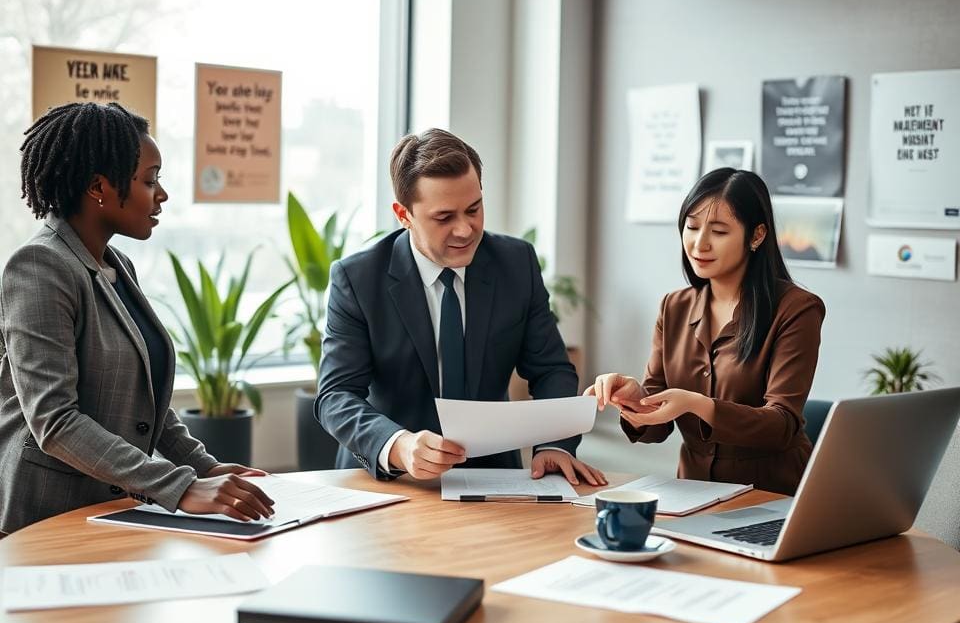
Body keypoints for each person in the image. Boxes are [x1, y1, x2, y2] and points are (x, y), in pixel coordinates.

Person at [0, 102, 275, 536]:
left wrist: (202, 466)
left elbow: (146, 402)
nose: (161, 194)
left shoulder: (117, 265)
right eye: (149, 180)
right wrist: (180, 487)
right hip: (48, 517)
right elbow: (54, 421)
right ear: (98, 187)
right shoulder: (39, 266)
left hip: (113, 509)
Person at [316, 128, 606, 486]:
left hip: (493, 478)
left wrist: (555, 445)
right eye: (444, 217)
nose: (465, 230)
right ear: (403, 215)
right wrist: (398, 445)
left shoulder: (516, 263)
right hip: (389, 481)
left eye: (474, 209)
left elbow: (551, 369)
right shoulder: (357, 278)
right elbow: (336, 395)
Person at [587, 168, 825, 496]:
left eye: (719, 231)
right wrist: (635, 400)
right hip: (694, 494)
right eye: (692, 227)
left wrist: (698, 404)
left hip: (773, 495)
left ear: (756, 236)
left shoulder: (797, 309)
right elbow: (656, 427)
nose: (700, 244)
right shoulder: (674, 307)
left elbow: (781, 424)